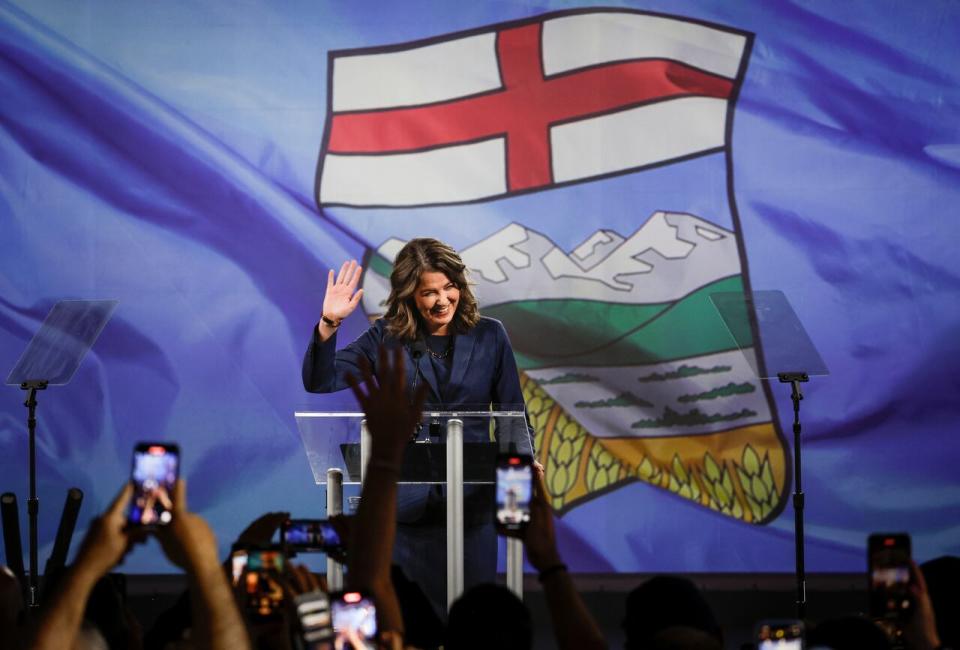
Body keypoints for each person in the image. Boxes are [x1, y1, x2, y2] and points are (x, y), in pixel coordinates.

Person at [302, 238, 536, 615]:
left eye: (450, 287)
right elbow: (321, 379)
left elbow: (512, 412)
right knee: (409, 622)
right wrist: (330, 323)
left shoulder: (490, 335)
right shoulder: (386, 339)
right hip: (405, 515)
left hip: (472, 508)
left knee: (472, 625)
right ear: (410, 295)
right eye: (430, 292)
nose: (443, 300)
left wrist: (524, 467)